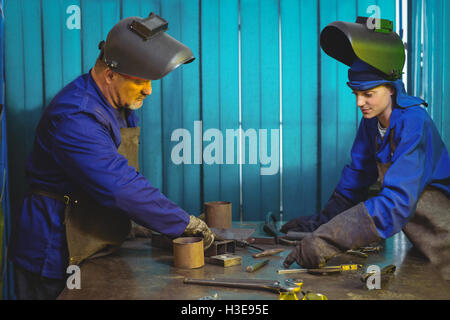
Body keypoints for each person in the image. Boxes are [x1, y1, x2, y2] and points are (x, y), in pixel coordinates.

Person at [8, 13, 214, 300]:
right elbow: (119, 185)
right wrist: (181, 223)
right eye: (141, 81)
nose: (149, 90)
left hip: (88, 242)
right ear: (110, 74)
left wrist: (142, 221)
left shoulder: (118, 105)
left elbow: (118, 176)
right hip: (52, 255)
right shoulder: (76, 118)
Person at [281, 17, 450, 280]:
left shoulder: (415, 124)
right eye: (355, 93)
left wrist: (327, 241)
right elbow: (356, 177)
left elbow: (396, 203)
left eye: (368, 94)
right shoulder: (372, 122)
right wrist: (321, 224)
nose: (360, 102)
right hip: (421, 242)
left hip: (445, 244)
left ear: (392, 89)